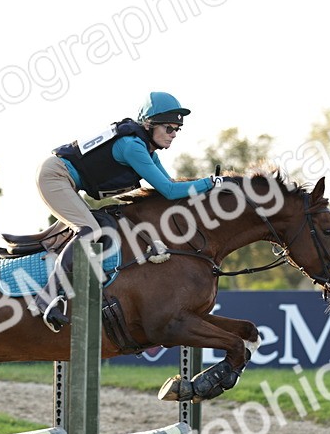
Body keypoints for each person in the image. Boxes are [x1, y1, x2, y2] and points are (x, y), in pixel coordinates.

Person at [33, 91, 218, 330]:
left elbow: (169, 186)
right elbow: (170, 191)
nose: (173, 134)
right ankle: (46, 297)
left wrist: (207, 189)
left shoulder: (147, 150)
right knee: (90, 230)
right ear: (149, 125)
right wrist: (212, 182)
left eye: (177, 129)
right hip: (55, 176)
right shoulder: (132, 147)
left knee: (98, 228)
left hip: (67, 179)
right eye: (168, 128)